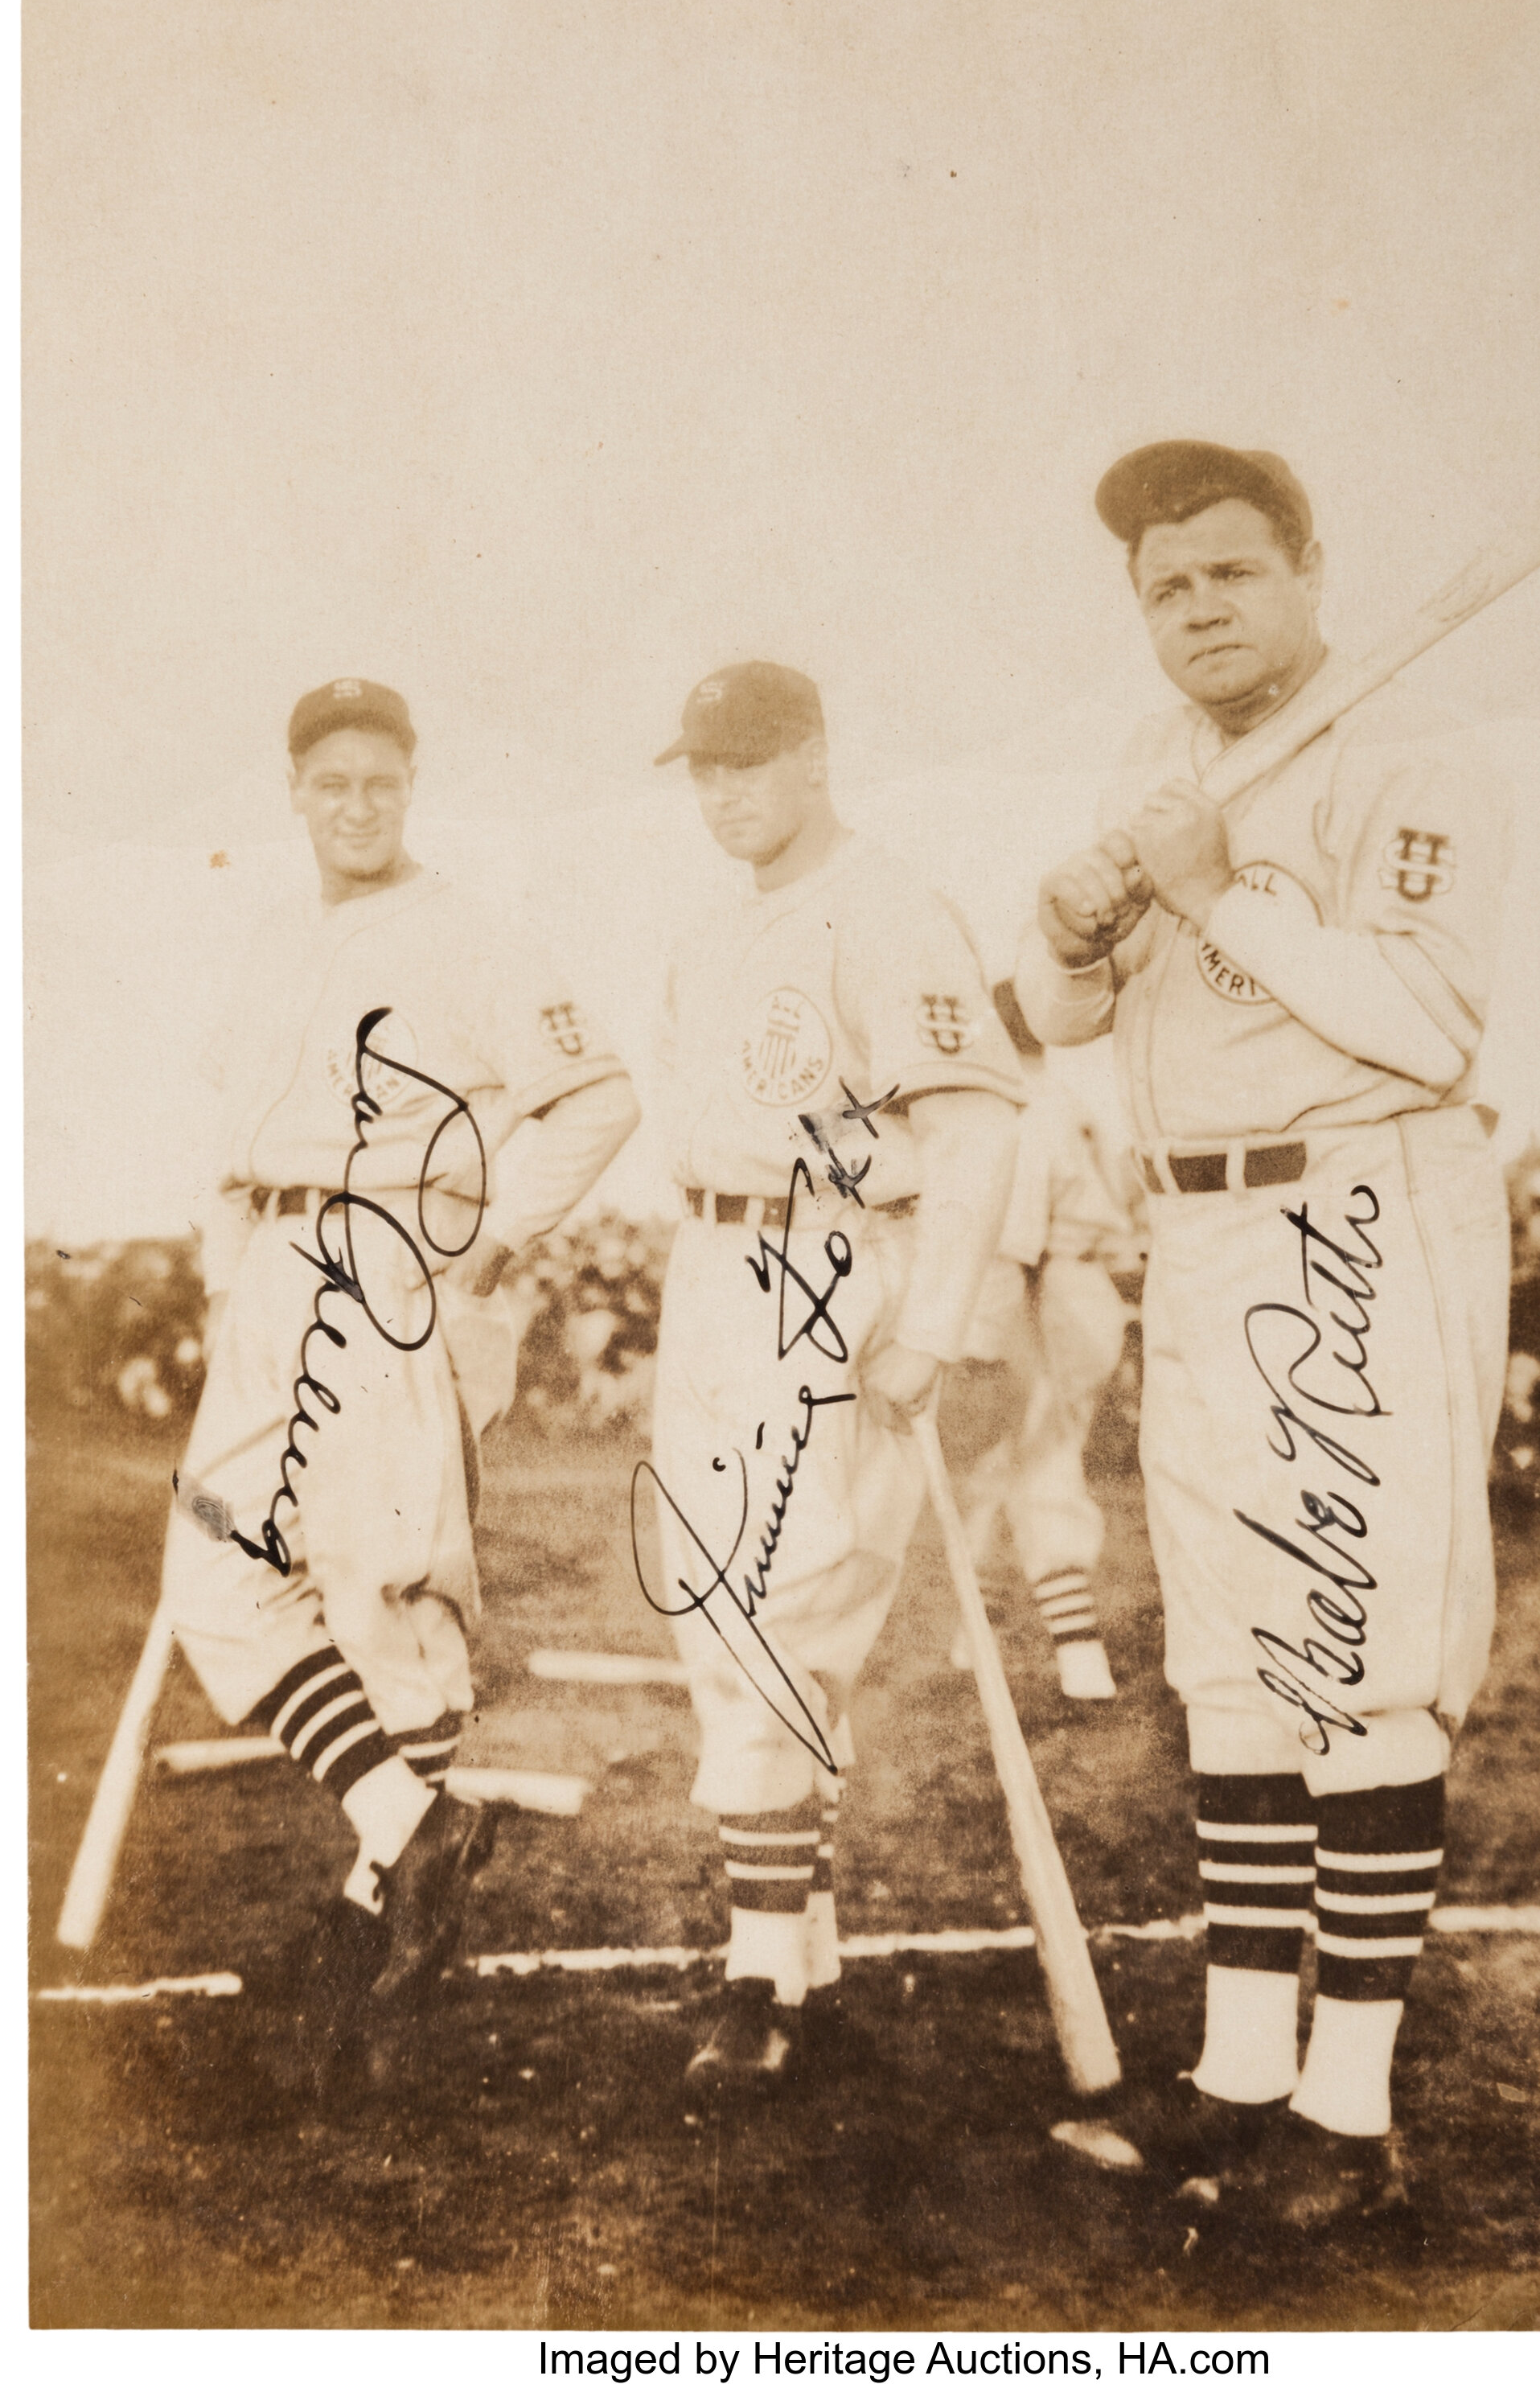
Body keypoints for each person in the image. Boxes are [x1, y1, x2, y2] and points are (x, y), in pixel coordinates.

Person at [1016, 444, 1512, 2225]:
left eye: (1229, 572)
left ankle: (1349, 2111)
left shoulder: (1409, 757)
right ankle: (1237, 2075)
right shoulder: (1159, 762)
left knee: (1357, 1658)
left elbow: (1427, 1025)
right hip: (1201, 1223)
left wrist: (1220, 890)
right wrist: (1077, 933)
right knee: (1228, 1660)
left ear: (1306, 569)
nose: (1197, 608)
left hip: (1361, 1204)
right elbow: (1065, 1015)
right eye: (1164, 588)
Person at [165, 677, 639, 2063]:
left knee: (384, 1607)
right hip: (267, 1276)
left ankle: (379, 1913)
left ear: (411, 784)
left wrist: (479, 1246)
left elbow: (597, 1097)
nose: (356, 804)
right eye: (331, 783)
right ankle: (408, 1832)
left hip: (384, 1277)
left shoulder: (469, 935)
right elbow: (229, 1142)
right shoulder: (267, 944)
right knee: (216, 1578)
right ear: (296, 793)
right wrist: (218, 1289)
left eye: (381, 780)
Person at [645, 661, 1023, 2097]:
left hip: (828, 1275)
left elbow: (975, 1126)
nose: (723, 790)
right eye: (701, 768)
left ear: (813, 753)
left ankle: (754, 1986)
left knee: (779, 1613)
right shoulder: (706, 934)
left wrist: (928, 1318)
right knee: (717, 1610)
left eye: (747, 760)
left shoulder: (890, 908)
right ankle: (801, 1955)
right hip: (711, 1276)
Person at [947, 980, 1141, 1701]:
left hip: (1044, 1295)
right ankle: (978, 1634)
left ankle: (1078, 1651)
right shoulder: (1063, 1100)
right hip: (1081, 1288)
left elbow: (1015, 1247)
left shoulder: (1018, 1110)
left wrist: (992, 1345)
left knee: (1034, 1464)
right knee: (1006, 1466)